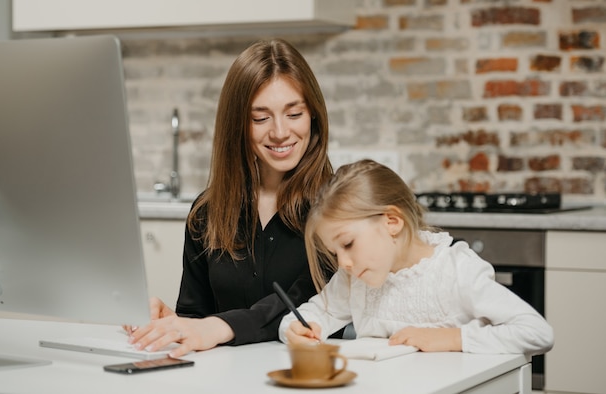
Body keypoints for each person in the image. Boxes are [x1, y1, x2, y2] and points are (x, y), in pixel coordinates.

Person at [127, 38, 334, 358]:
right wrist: (174, 323)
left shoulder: (338, 208)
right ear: (237, 125)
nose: (280, 132)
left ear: (314, 116)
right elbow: (198, 319)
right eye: (260, 118)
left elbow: (307, 303)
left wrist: (218, 327)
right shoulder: (206, 213)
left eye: (294, 113)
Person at [280, 159, 554, 357]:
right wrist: (296, 328)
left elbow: (537, 332)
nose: (343, 262)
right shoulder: (355, 279)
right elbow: (315, 313)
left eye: (348, 244)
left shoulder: (455, 272)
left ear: (391, 221)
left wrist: (452, 338)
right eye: (335, 252)